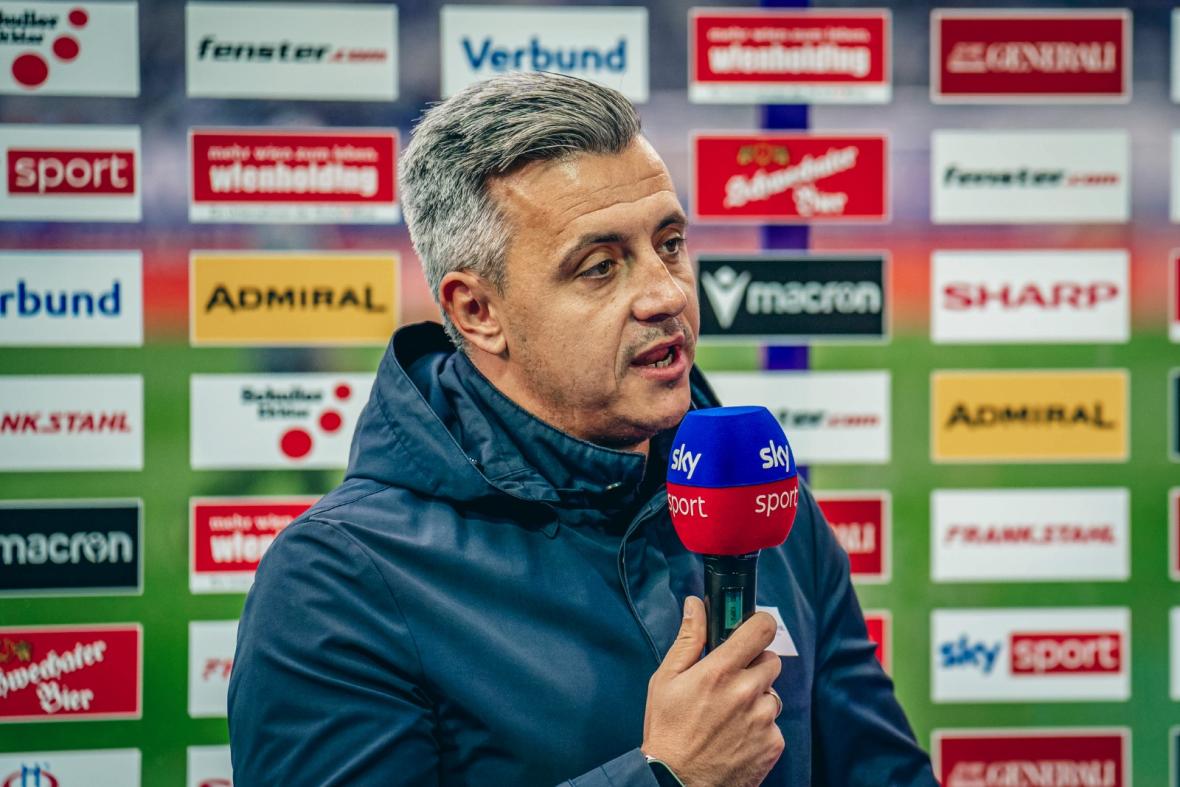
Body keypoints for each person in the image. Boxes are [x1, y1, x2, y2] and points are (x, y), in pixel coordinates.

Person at [227, 71, 937, 787]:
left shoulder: (759, 500)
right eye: (600, 267)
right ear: (478, 311)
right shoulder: (336, 580)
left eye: (669, 243)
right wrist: (666, 776)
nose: (666, 292)